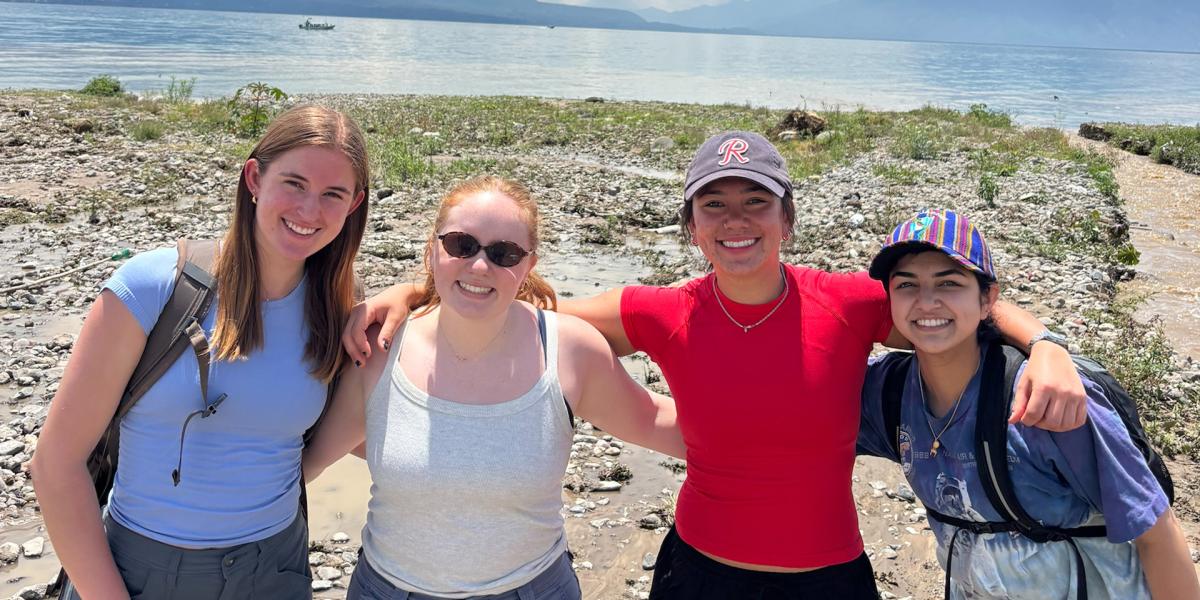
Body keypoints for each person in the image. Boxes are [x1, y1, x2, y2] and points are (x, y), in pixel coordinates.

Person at [343, 131, 1088, 598]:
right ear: (692, 226)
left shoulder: (854, 304)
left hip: (827, 578)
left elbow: (954, 309)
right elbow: (514, 306)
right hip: (696, 572)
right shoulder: (659, 311)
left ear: (786, 220)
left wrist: (1045, 342)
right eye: (715, 205)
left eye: (755, 203)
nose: (736, 222)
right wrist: (415, 295)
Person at [31, 105, 369, 600]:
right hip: (138, 571)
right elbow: (55, 465)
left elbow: (356, 439)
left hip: (274, 570)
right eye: (294, 183)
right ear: (254, 178)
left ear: (354, 205)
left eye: (332, 194)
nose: (309, 211)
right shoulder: (152, 287)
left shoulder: (342, 306)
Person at [302, 176, 685, 600]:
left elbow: (659, 423)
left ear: (527, 267)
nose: (480, 266)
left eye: (504, 254)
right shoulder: (376, 352)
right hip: (389, 588)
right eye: (461, 245)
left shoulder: (567, 350)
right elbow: (304, 463)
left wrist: (768, 446)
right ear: (433, 250)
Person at [857, 209, 1199, 599]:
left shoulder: (1046, 400)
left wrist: (1047, 345)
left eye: (949, 283)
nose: (927, 301)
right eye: (907, 285)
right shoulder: (889, 392)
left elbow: (1157, 534)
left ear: (988, 300)